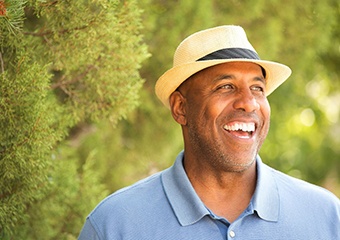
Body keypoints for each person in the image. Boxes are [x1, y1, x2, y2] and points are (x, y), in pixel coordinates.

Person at [78, 25, 340, 239]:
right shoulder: (114, 225)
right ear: (181, 108)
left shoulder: (326, 217)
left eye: (258, 88)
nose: (248, 102)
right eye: (225, 86)